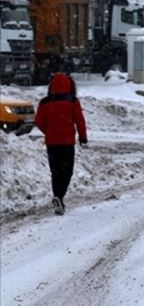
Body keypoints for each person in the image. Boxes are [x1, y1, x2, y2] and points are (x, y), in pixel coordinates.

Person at [34, 72, 88, 216]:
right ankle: (59, 196)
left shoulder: (44, 102)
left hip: (51, 143)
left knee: (55, 171)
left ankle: (57, 196)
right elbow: (80, 121)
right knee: (67, 171)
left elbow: (38, 121)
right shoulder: (72, 101)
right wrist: (83, 138)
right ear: (69, 85)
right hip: (67, 143)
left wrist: (49, 131)